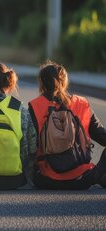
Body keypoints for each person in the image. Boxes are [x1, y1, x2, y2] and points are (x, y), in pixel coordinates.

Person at [28, 61, 106, 189]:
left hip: (46, 180)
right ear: (65, 82)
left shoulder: (35, 106)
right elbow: (103, 137)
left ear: (41, 83)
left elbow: (29, 147)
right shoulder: (82, 104)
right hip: (82, 179)